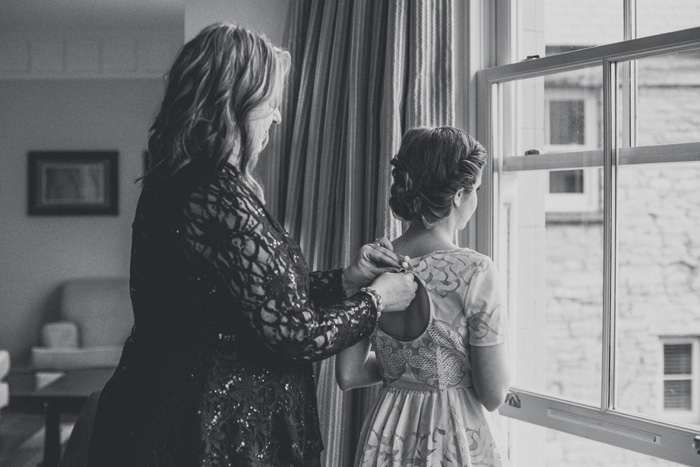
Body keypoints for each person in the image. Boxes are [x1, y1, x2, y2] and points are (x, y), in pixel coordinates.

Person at [86, 23, 417, 467]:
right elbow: (296, 335)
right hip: (209, 431)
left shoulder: (181, 183)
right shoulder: (216, 194)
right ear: (232, 105)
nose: (277, 116)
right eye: (269, 102)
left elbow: (253, 301)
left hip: (169, 411)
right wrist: (378, 300)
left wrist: (347, 279)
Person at [336, 126, 510, 466]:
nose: (475, 198)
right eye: (475, 189)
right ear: (459, 195)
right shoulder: (475, 271)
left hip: (388, 433)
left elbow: (349, 375)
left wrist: (403, 368)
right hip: (454, 434)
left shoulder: (372, 263)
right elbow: (493, 394)